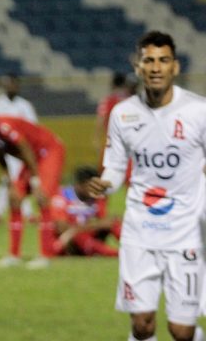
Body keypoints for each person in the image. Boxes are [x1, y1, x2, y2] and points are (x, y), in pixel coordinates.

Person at [88, 31, 206, 341]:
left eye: (163, 60)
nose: (156, 67)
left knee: (182, 331)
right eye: (149, 61)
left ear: (175, 67)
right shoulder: (123, 113)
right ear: (138, 67)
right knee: (142, 326)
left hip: (186, 234)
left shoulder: (198, 111)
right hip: (140, 232)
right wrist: (104, 184)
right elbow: (114, 167)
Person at [0, 102, 65, 270]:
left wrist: (36, 181)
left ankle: (46, 255)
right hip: (31, 158)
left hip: (48, 151)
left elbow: (25, 148)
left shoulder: (3, 126)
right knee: (14, 199)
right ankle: (13, 255)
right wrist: (8, 182)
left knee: (42, 198)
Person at [0, 73, 37, 225]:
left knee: (13, 180)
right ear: (4, 85)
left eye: (14, 83)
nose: (11, 86)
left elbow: (33, 127)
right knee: (13, 180)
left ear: (18, 85)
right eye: (8, 83)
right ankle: (25, 213)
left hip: (21, 149)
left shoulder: (25, 106)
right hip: (4, 149)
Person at [49, 166, 121, 258]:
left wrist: (107, 222)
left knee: (115, 223)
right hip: (70, 242)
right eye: (92, 186)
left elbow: (104, 221)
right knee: (79, 236)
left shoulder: (99, 197)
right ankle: (116, 254)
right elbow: (62, 228)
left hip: (89, 234)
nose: (96, 189)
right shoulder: (62, 196)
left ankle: (133, 247)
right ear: (79, 185)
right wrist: (96, 225)